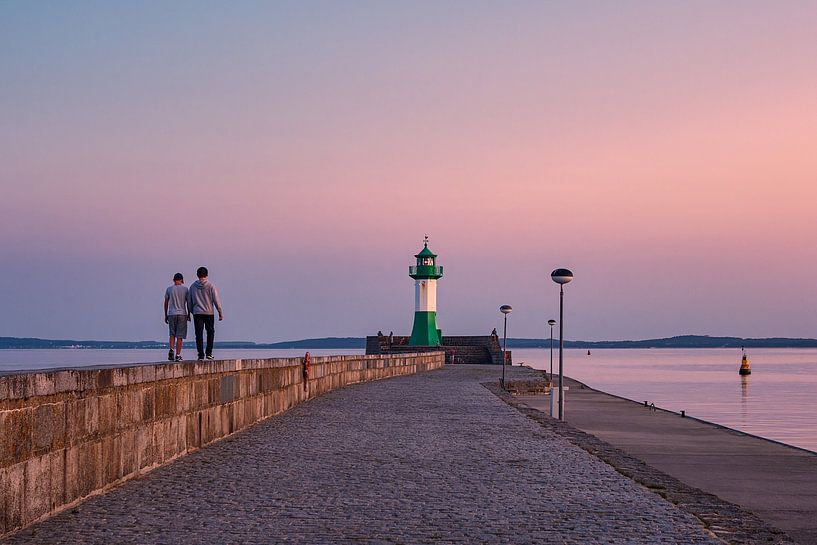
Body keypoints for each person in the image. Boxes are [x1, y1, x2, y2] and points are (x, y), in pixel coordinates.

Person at [187, 266, 224, 360]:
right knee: (210, 332)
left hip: (197, 313)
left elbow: (189, 301)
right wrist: (220, 312)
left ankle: (200, 354)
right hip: (209, 313)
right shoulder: (211, 286)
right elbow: (216, 300)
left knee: (198, 334)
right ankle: (209, 353)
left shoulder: (192, 286)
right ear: (207, 275)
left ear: (197, 275)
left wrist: (192, 311)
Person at [164, 273, 190, 361]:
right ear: (182, 280)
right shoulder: (185, 289)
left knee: (172, 334)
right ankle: (178, 355)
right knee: (180, 336)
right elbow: (188, 303)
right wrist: (189, 314)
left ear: (173, 280)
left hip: (171, 313)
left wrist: (165, 314)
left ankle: (171, 349)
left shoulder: (169, 289)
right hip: (182, 314)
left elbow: (166, 302)